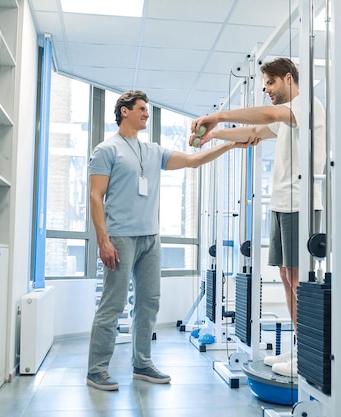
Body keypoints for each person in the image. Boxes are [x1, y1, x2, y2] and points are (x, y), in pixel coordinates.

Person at [87, 90, 252, 391]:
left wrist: (230, 144)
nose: (146, 114)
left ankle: (142, 363)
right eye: (141, 109)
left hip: (151, 238)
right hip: (120, 237)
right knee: (113, 304)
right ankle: (96, 369)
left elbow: (193, 160)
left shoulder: (152, 150)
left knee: (149, 303)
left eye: (147, 110)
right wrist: (103, 241)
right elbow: (95, 197)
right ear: (124, 111)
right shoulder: (106, 150)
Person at [188, 57, 326, 377]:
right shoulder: (286, 117)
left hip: (301, 203)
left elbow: (269, 114)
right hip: (282, 203)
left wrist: (218, 115)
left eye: (270, 83)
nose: (267, 90)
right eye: (264, 85)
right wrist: (215, 135)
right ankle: (298, 348)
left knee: (299, 281)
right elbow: (254, 132)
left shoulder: (306, 106)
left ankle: (309, 352)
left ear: (288, 78)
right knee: (285, 278)